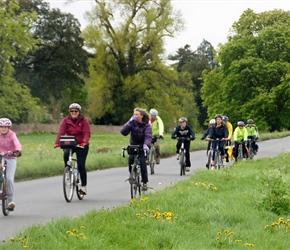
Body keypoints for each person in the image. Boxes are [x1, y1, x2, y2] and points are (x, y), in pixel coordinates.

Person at [54, 103, 91, 195]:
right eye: (72, 111)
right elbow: (61, 132)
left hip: (81, 144)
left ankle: (83, 186)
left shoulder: (84, 121)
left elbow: (87, 132)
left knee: (81, 164)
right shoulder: (66, 120)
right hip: (70, 143)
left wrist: (84, 142)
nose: (74, 113)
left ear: (79, 112)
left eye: (76, 111)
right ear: (69, 112)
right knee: (66, 153)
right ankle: (67, 171)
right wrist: (57, 143)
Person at [120, 107, 152, 191]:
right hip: (133, 146)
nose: (135, 116)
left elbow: (148, 137)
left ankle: (144, 182)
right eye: (134, 114)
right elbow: (123, 132)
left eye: (137, 114)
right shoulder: (132, 123)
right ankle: (132, 175)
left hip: (142, 146)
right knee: (130, 160)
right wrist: (129, 122)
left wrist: (146, 145)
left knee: (142, 163)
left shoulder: (146, 126)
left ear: (142, 116)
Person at [0, 118, 22, 211]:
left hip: (11, 157)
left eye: (5, 127)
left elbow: (17, 143)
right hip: (1, 156)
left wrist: (17, 151)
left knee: (9, 178)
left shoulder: (12, 135)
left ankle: (10, 201)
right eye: (1, 127)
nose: (3, 129)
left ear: (9, 128)